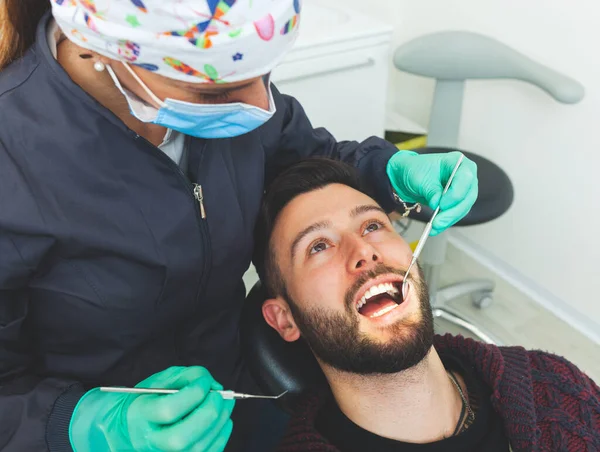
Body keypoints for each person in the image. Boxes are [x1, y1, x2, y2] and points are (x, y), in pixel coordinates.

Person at [0, 1, 479, 451]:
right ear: (98, 49)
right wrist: (77, 425)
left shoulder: (243, 105)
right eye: (216, 91)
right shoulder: (12, 165)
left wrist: (388, 174)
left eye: (263, 74)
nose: (260, 105)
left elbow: (311, 161)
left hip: (239, 392)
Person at [254, 158, 600, 452]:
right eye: (318, 246)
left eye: (373, 225)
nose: (363, 250)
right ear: (284, 319)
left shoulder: (554, 383)